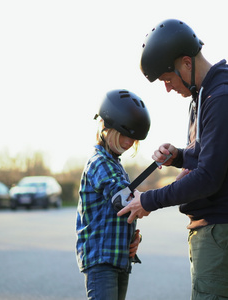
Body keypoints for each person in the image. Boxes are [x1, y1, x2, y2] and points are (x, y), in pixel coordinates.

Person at [118, 19, 228, 300]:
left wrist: (148, 200)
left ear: (186, 63)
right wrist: (178, 156)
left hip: (223, 227)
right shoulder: (206, 97)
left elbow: (209, 177)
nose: (168, 88)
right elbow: (209, 158)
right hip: (215, 228)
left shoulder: (222, 99)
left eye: (167, 79)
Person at [76, 89, 150, 300]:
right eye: (125, 134)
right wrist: (154, 198)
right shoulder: (99, 162)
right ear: (106, 127)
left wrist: (135, 237)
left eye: (134, 138)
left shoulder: (115, 164)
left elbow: (124, 209)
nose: (129, 142)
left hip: (118, 259)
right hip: (102, 261)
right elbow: (123, 200)